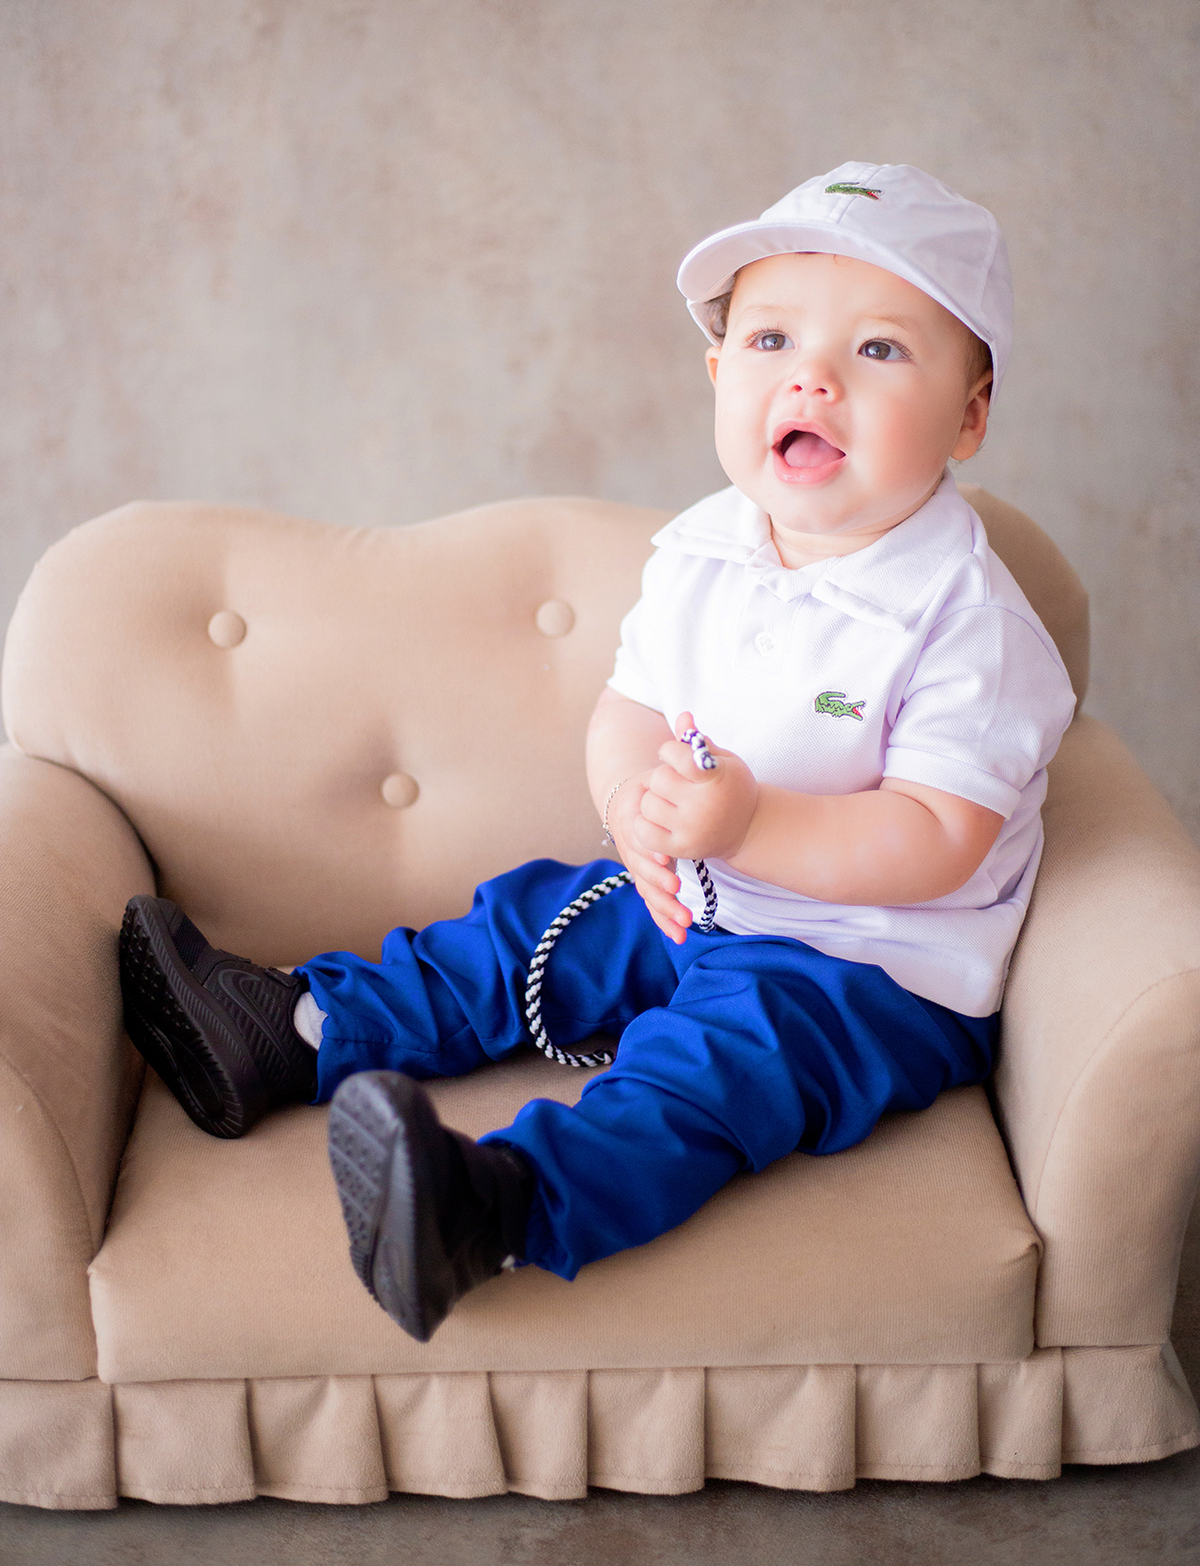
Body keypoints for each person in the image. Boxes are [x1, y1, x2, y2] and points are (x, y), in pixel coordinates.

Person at [118, 161, 1076, 1344]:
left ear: (970, 416)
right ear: (722, 378)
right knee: (533, 922)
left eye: (880, 351)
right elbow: (629, 709)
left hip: (866, 969)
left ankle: (502, 1206)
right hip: (705, 895)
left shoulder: (967, 619)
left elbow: (939, 838)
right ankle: (295, 1029)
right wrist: (635, 811)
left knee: (711, 1067)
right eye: (772, 337)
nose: (813, 376)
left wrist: (754, 827)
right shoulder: (707, 549)